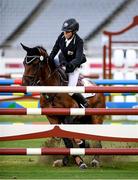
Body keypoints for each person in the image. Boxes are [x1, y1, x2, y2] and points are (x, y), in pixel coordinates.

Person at [49, 18, 88, 107]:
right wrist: (49, 59)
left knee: (70, 91)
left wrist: (69, 66)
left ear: (73, 32)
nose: (65, 34)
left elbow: (78, 59)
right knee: (49, 65)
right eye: (64, 31)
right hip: (63, 60)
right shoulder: (61, 36)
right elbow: (55, 50)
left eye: (68, 32)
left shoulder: (79, 41)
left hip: (74, 65)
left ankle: (84, 103)